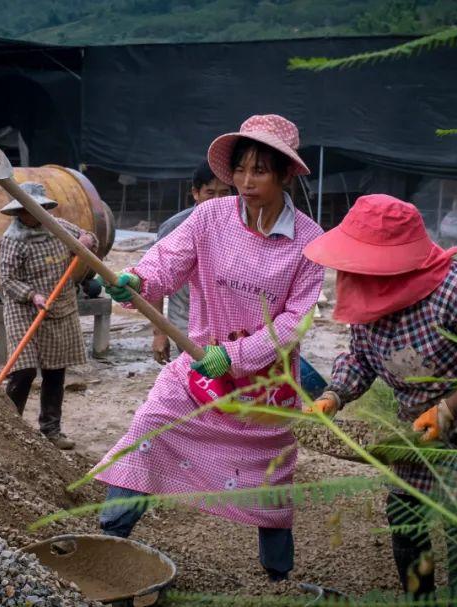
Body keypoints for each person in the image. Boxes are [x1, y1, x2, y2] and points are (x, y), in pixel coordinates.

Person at [94, 114, 325, 582]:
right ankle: (106, 541)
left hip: (266, 390)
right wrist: (139, 281)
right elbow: (167, 262)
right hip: (198, 370)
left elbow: (292, 324)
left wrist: (236, 357)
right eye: (239, 170)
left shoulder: (309, 242)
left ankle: (278, 576)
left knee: (269, 480)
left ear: (284, 173)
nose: (244, 181)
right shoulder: (209, 217)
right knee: (148, 430)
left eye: (259, 170)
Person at [303, 194, 457, 598]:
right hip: (420, 421)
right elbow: (360, 358)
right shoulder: (364, 292)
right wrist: (334, 395)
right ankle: (420, 597)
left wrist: (448, 408)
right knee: (404, 510)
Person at [0, 182, 98, 450]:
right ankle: (9, 428)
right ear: (19, 212)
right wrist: (32, 295)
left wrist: (86, 241)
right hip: (24, 308)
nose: (33, 215)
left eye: (38, 209)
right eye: (28, 211)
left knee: (55, 370)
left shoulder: (59, 228)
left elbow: (89, 239)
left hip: (60, 305)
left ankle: (51, 430)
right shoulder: (11, 240)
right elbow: (7, 280)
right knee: (24, 370)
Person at [151, 161, 232, 364]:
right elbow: (155, 279)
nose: (217, 200)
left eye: (224, 193)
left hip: (229, 322)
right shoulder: (177, 227)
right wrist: (159, 333)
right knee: (200, 380)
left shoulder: (241, 225)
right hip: (186, 322)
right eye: (210, 193)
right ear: (196, 193)